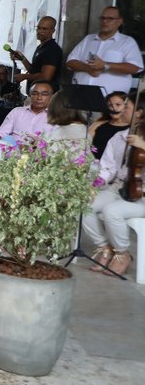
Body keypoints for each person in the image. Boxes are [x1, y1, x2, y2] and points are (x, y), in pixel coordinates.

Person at [81, 92, 145, 277]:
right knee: (84, 205)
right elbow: (108, 168)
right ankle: (105, 248)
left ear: (140, 112)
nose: (122, 110)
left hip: (142, 195)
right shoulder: (120, 137)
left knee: (112, 212)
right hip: (119, 188)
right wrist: (94, 185)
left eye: (127, 106)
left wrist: (143, 146)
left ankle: (122, 254)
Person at [66, 6, 144, 95]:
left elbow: (134, 67)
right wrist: (88, 68)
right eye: (102, 18)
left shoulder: (127, 42)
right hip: (81, 95)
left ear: (119, 21)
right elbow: (70, 62)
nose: (105, 21)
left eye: (110, 18)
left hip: (110, 99)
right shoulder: (88, 39)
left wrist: (105, 65)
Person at [9, 16, 62, 93]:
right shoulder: (41, 47)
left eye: (44, 29)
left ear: (53, 31)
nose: (40, 31)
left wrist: (25, 76)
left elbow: (46, 77)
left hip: (45, 94)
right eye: (38, 28)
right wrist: (22, 58)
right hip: (35, 92)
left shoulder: (52, 49)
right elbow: (33, 71)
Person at [89, 91, 129, 159]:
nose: (114, 108)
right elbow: (84, 143)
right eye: (110, 105)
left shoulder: (131, 128)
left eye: (118, 104)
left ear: (127, 106)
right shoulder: (99, 124)